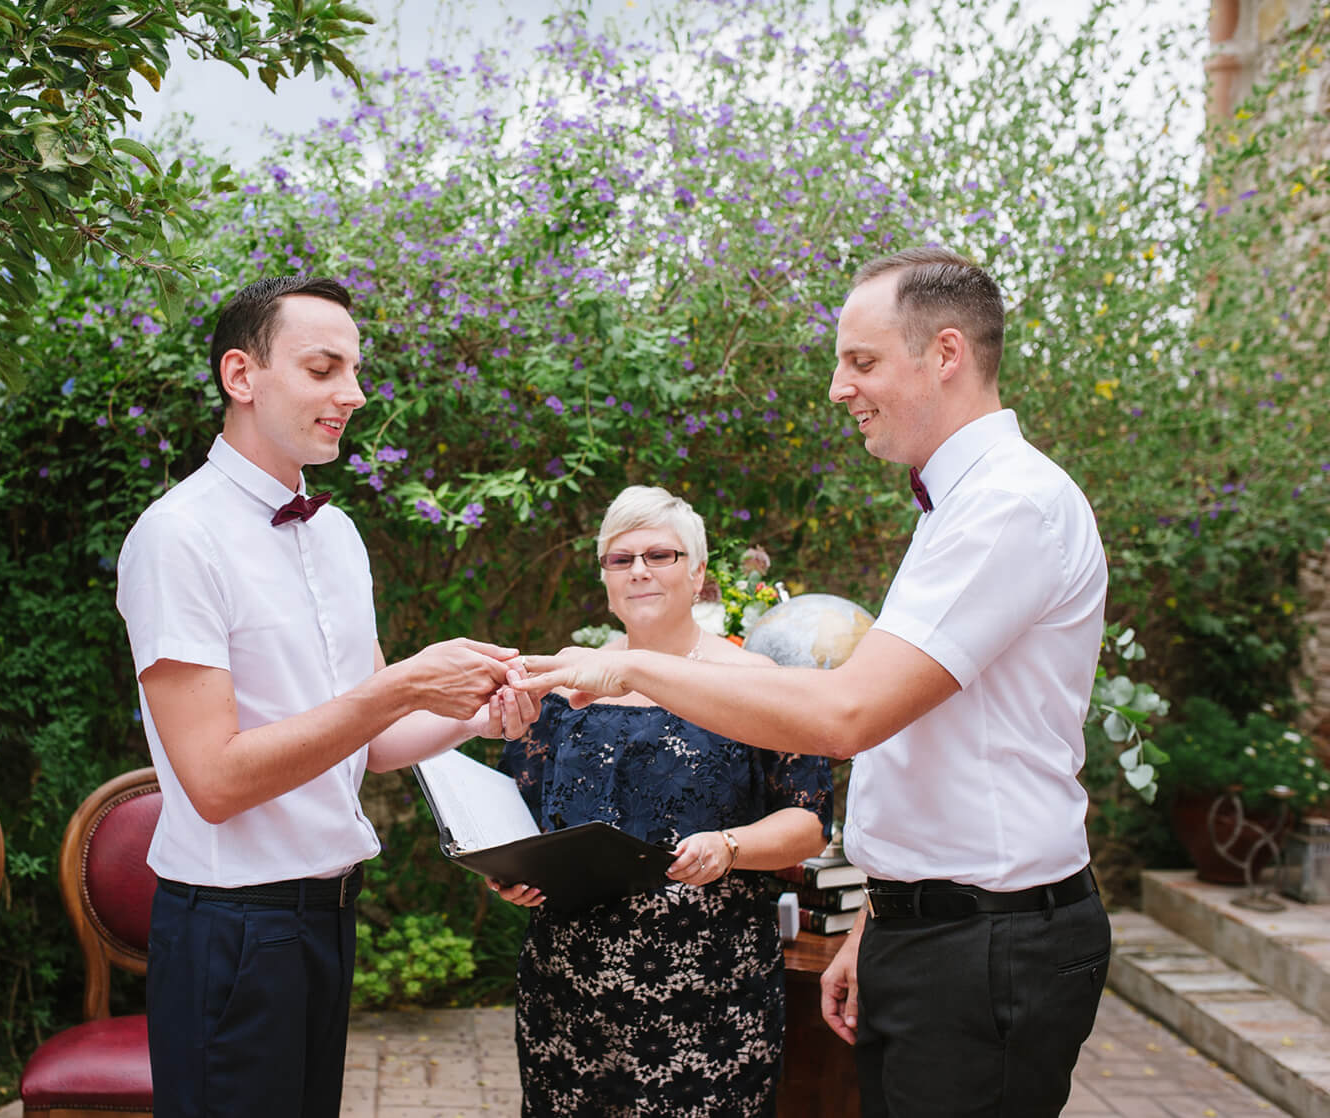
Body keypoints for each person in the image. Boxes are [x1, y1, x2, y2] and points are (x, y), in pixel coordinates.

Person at [517, 248, 1111, 1117]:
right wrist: (880, 920)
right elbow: (934, 750)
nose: (839, 387)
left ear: (945, 354)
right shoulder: (958, 507)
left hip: (985, 947)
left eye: (861, 361)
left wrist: (629, 666)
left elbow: (848, 715)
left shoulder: (1008, 506)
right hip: (939, 929)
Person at [116, 275, 537, 1118]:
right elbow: (217, 781)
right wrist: (402, 684)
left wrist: (479, 715)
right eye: (324, 369)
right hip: (231, 931)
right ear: (242, 376)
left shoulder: (338, 535)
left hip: (328, 915)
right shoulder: (176, 537)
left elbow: (373, 740)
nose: (353, 393)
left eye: (355, 370)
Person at [491, 485, 831, 1117]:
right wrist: (508, 874)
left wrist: (732, 847)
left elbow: (811, 823)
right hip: (569, 994)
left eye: (660, 554)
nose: (639, 570)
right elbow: (518, 815)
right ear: (605, 578)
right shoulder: (567, 682)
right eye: (621, 559)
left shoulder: (755, 681)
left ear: (699, 571)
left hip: (712, 992)